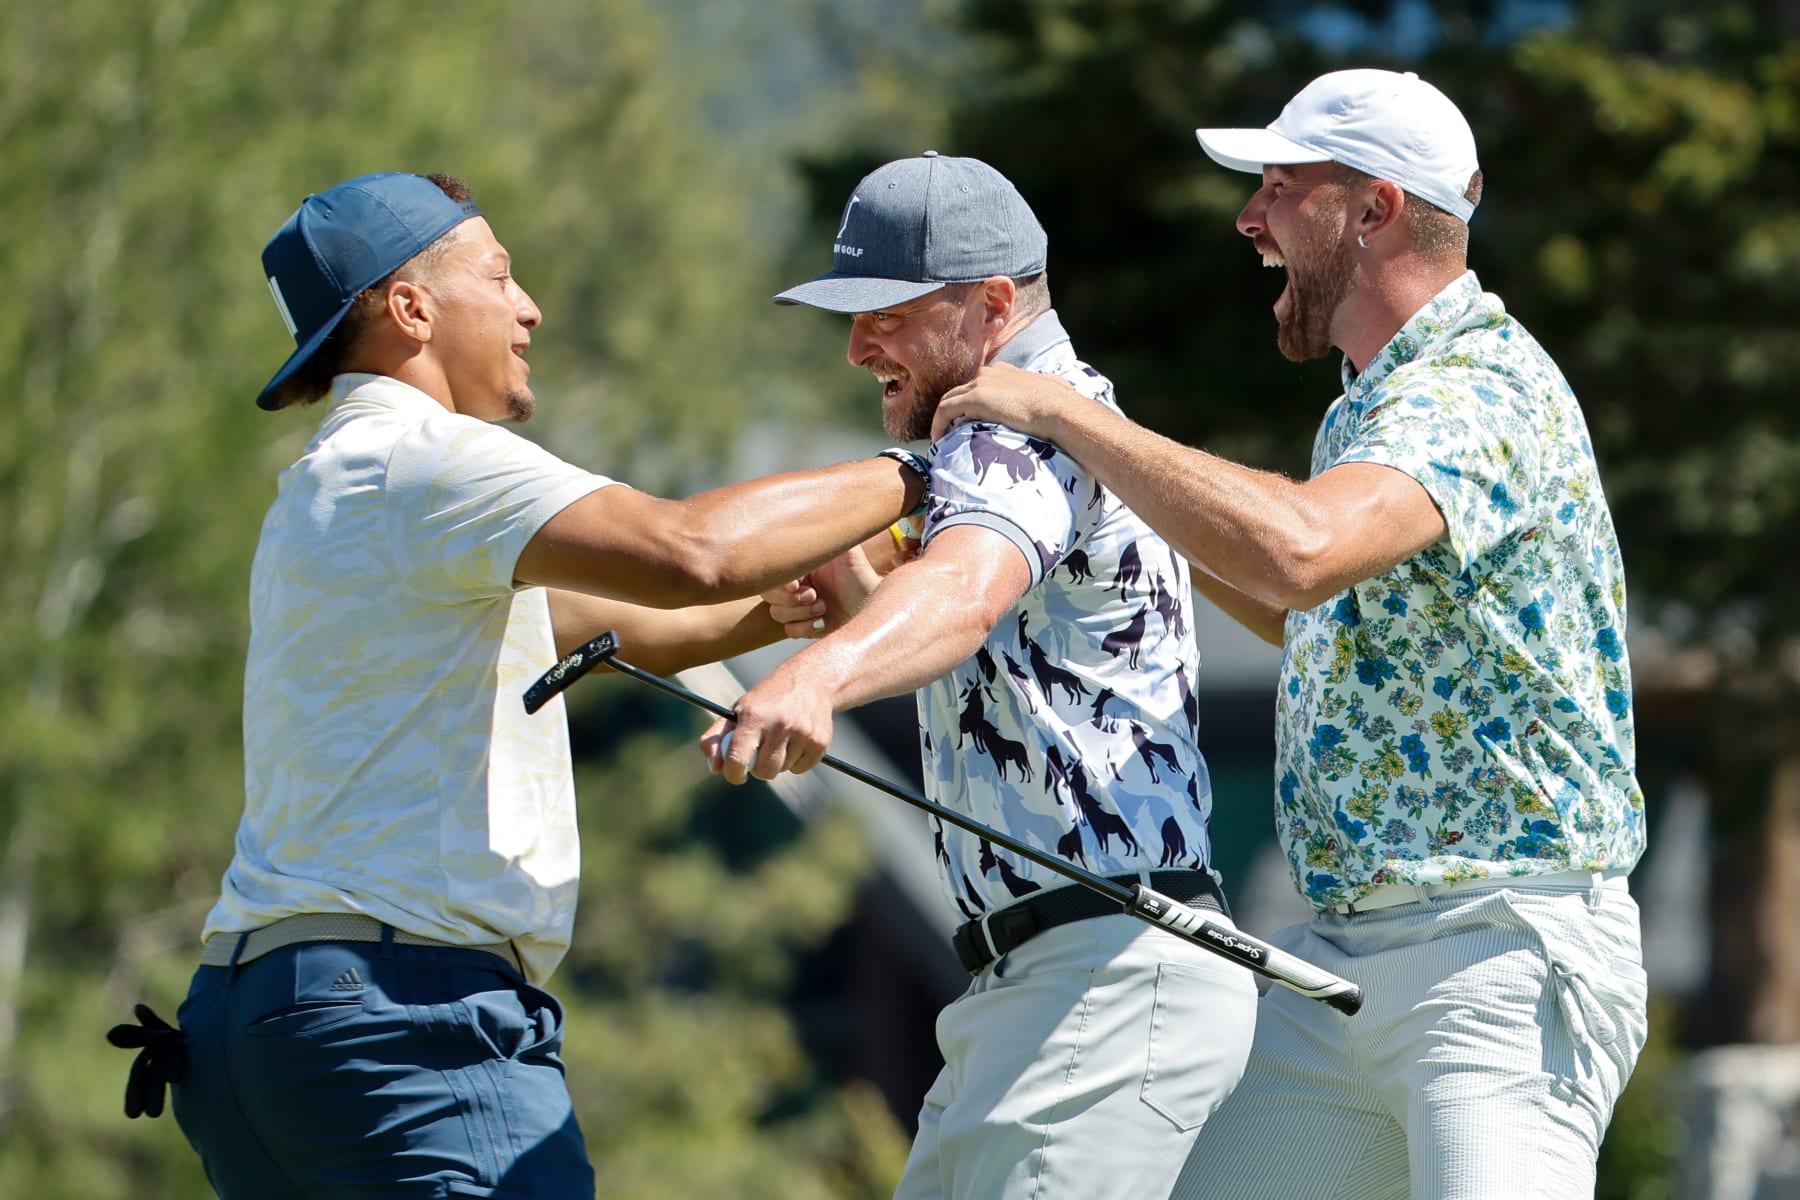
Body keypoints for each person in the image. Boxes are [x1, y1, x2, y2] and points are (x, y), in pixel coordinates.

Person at [115, 171, 931, 1199]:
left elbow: (626, 625)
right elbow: (695, 551)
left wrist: (794, 599)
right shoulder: (426, 460)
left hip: (258, 1038)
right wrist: (929, 470)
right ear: (410, 309)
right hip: (404, 1024)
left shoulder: (330, 488)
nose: (528, 305)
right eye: (499, 276)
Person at [930, 70, 1648, 1199]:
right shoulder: (1370, 402)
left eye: (1278, 186)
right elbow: (1300, 605)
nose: (1247, 218)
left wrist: (1067, 412)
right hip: (1345, 967)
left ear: (1374, 211)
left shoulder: (1474, 389)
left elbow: (1299, 553)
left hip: (1500, 957)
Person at [708, 152, 1258, 1200]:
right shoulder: (1010, 427)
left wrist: (816, 677)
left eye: (887, 314)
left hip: (1100, 973)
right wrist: (867, 593)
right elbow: (993, 648)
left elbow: (962, 599)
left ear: (994, 305)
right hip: (1047, 982)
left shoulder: (1022, 423)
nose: (857, 344)